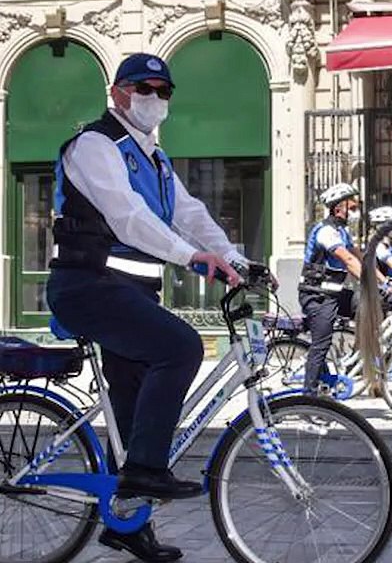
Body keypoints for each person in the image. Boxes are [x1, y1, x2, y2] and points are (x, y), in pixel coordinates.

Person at [45, 52, 248, 563]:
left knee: (132, 418)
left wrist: (230, 254)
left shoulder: (153, 156)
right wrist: (190, 258)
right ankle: (145, 473)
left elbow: (189, 212)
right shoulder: (95, 145)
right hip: (88, 288)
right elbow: (127, 217)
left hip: (128, 294)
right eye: (143, 88)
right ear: (117, 92)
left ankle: (128, 523)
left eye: (163, 91)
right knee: (180, 347)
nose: (153, 99)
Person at [299, 183, 363, 393]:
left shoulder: (342, 231)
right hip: (317, 296)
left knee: (368, 308)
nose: (355, 210)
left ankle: (355, 360)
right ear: (338, 208)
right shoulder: (326, 232)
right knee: (321, 344)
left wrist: (382, 282)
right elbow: (347, 259)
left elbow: (358, 256)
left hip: (334, 294)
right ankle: (308, 397)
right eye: (352, 207)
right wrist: (368, 281)